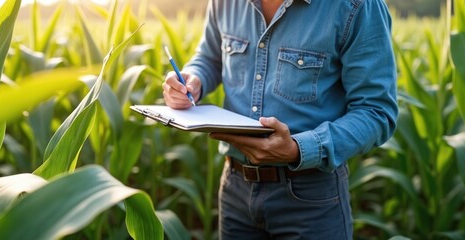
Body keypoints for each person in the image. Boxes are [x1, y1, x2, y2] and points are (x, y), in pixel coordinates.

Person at [162, 0, 398, 238]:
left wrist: (299, 149)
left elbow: (376, 111)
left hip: (311, 197)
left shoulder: (356, 6)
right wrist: (193, 80)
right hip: (235, 188)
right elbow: (210, 57)